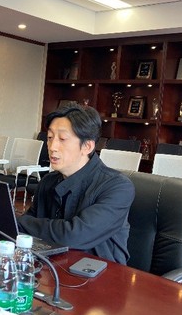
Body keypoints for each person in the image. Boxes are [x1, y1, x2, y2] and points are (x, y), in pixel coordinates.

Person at [17, 105, 135, 264]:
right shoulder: (48, 181)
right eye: (50, 137)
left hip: (101, 272)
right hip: (53, 266)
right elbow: (23, 228)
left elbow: (73, 236)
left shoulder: (117, 187)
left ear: (87, 146)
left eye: (62, 139)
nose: (52, 147)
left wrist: (19, 221)